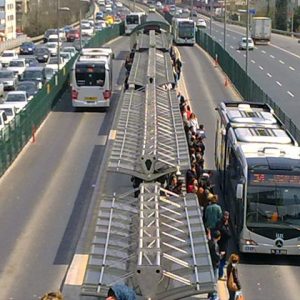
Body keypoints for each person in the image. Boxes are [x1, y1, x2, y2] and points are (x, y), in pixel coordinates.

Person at [216, 211, 231, 280]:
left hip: (219, 243)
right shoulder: (223, 226)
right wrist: (226, 226)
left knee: (220, 259)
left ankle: (220, 273)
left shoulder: (219, 222)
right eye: (226, 216)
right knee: (222, 260)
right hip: (223, 245)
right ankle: (220, 274)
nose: (226, 217)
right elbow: (228, 235)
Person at [208, 230, 221, 300]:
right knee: (215, 281)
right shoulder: (215, 245)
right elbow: (216, 256)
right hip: (214, 264)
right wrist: (221, 255)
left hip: (210, 263)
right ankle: (214, 296)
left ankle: (210, 294)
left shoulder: (210, 242)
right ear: (218, 237)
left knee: (211, 280)